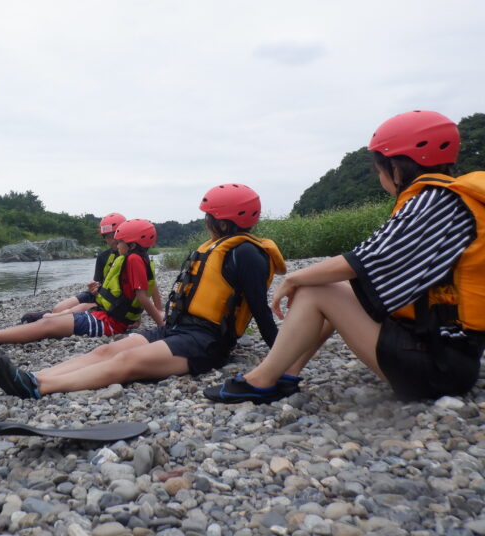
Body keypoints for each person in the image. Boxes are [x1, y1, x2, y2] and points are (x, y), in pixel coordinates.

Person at [205, 110, 485, 404]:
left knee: (317, 289)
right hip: (450, 356)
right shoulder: (451, 200)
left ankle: (261, 381)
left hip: (437, 369)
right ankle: (284, 372)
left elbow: (365, 259)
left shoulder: (433, 201)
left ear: (397, 169)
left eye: (379, 170)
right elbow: (372, 264)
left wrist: (295, 278)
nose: (380, 178)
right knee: (338, 285)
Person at [0, 184, 290, 400]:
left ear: (223, 223)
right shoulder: (216, 247)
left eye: (208, 216)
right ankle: (32, 375)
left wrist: (280, 356)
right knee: (105, 351)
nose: (205, 220)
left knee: (126, 363)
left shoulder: (247, 254)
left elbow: (259, 309)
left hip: (206, 343)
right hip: (177, 329)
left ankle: (39, 387)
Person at [0, 219, 163, 348]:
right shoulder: (138, 258)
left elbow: (142, 297)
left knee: (48, 325)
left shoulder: (134, 259)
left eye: (120, 242)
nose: (116, 245)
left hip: (110, 323)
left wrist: (162, 326)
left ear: (133, 244)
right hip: (108, 316)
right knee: (55, 319)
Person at [19, 213, 126, 323]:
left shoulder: (131, 258)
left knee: (74, 311)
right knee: (58, 308)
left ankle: (48, 318)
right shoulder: (103, 257)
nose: (111, 240)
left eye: (113, 235)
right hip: (99, 294)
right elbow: (98, 282)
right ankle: (51, 314)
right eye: (107, 237)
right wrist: (93, 288)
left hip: (112, 301)